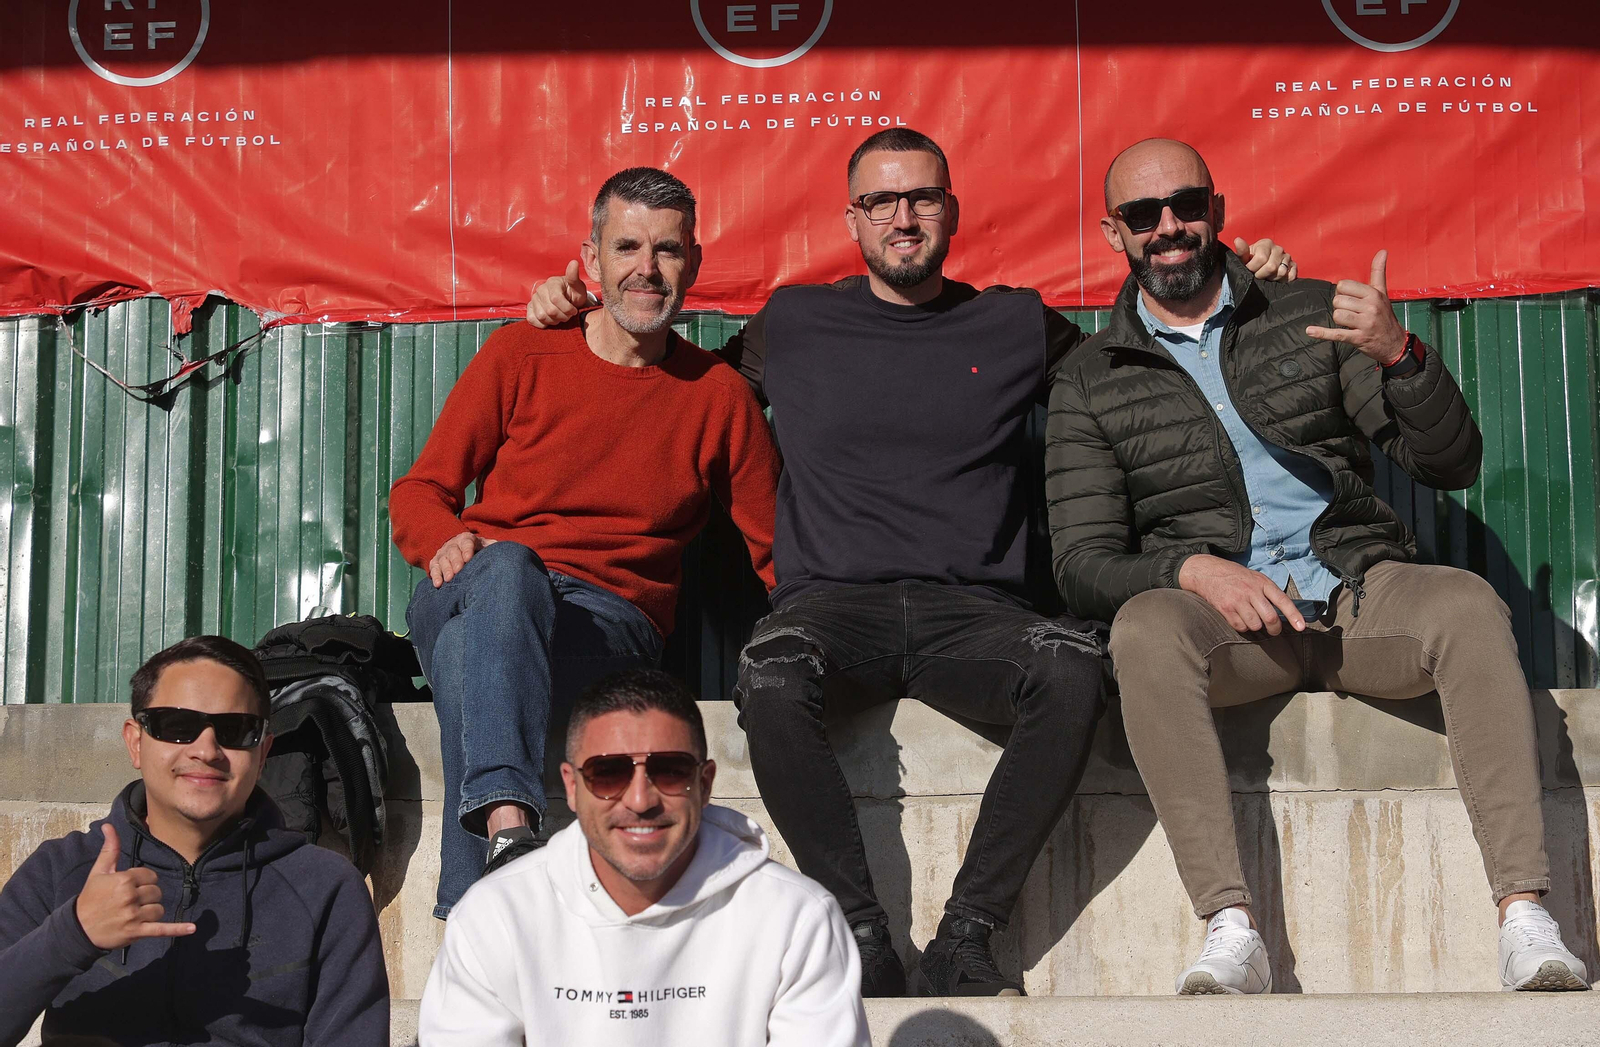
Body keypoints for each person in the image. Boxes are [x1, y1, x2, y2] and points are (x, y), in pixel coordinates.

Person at [526, 129, 1298, 997]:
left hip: (973, 612)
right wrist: (577, 312)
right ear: (851, 219)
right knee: (770, 678)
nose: (904, 217)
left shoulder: (1011, 321)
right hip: (829, 606)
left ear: (952, 211)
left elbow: (1141, 370)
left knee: (1075, 667)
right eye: (882, 201)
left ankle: (967, 937)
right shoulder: (795, 321)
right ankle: (858, 936)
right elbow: (676, 384)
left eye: (922, 197)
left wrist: (1246, 284)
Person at [1046, 137, 1591, 994]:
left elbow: (1449, 463)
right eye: (1144, 215)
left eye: (1187, 204)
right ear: (1113, 232)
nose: (1170, 227)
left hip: (1354, 593)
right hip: (1234, 628)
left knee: (1466, 603)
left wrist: (1398, 354)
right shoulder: (1088, 376)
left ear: (1216, 210)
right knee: (1143, 627)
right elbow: (1081, 560)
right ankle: (1232, 927)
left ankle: (1524, 915)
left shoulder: (1311, 312)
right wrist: (1192, 570)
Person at [391, 167, 780, 917]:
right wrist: (441, 538)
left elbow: (775, 551)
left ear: (692, 266)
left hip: (604, 627)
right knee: (507, 571)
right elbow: (419, 491)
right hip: (479, 587)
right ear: (591, 258)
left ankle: (482, 896)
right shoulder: (520, 353)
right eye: (627, 246)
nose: (647, 268)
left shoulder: (719, 396)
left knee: (470, 660)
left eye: (668, 251)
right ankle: (510, 816)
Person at [419, 668, 869, 1045]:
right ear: (572, 788)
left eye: (669, 771)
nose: (639, 799)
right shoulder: (495, 918)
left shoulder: (795, 920)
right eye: (608, 772)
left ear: (706, 784)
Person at [0, 636, 390, 1046]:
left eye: (235, 730)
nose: (207, 750)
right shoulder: (62, 870)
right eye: (179, 726)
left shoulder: (325, 888)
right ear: (136, 741)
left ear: (262, 752)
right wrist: (72, 936)